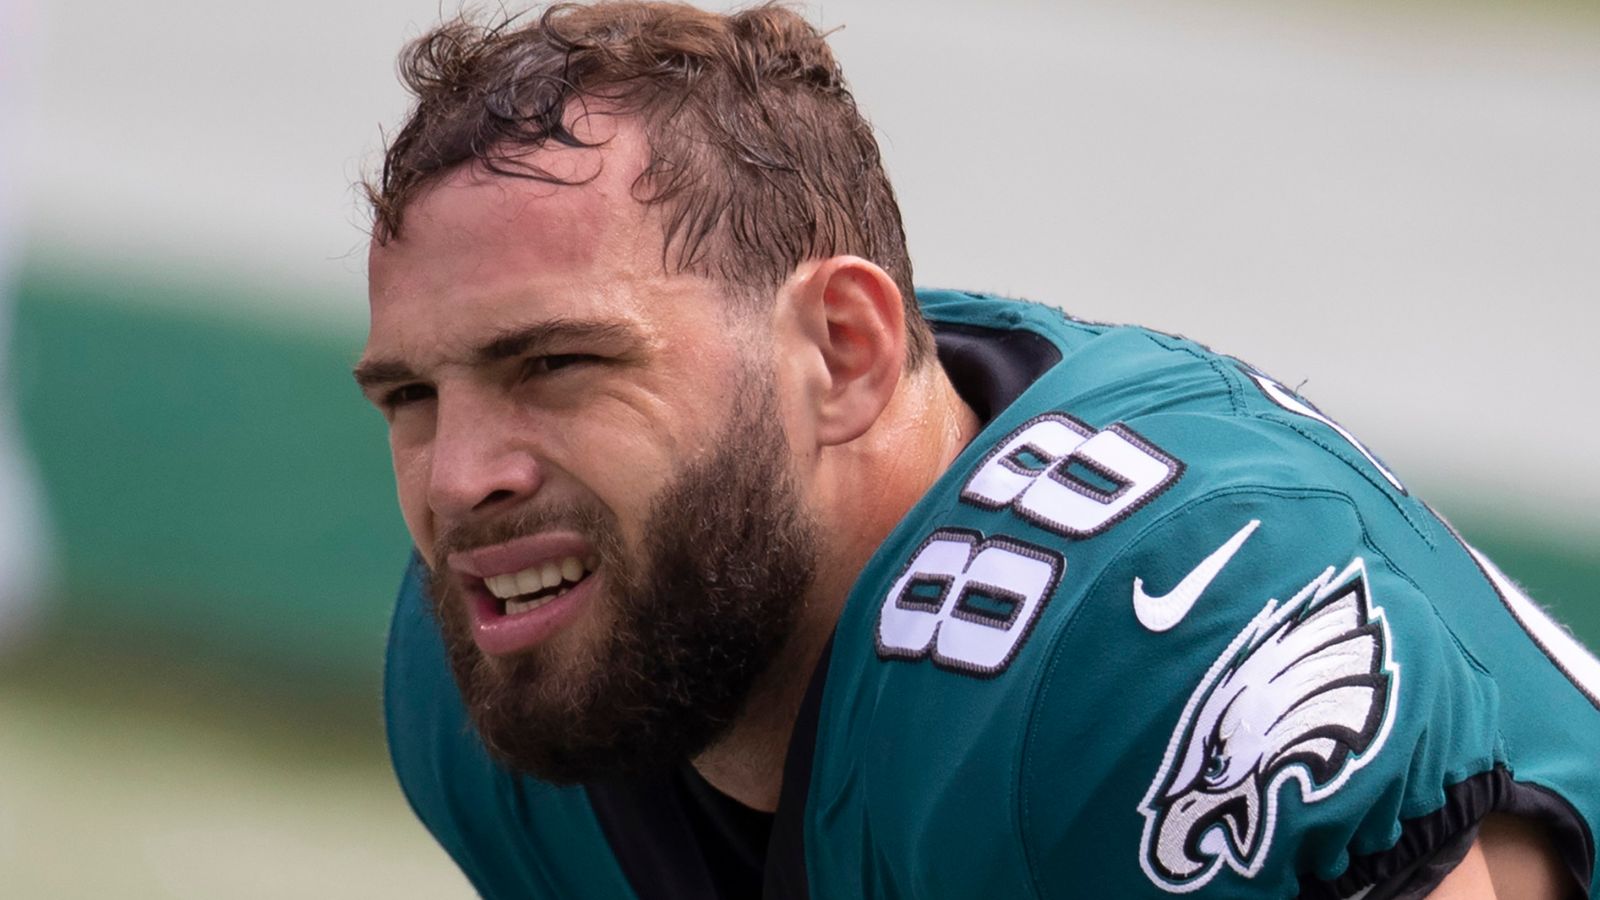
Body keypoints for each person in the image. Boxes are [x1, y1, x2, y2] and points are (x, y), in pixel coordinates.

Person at [357, 3, 1600, 897]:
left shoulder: (1144, 646)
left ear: (841, 353)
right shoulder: (488, 694)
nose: (462, 478)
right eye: (410, 396)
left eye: (559, 365)